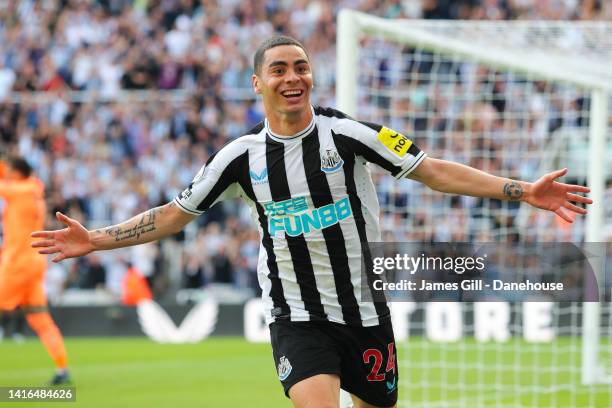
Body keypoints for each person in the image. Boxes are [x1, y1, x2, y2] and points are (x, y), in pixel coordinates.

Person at [31, 36, 592, 408]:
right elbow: (175, 214)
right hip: (297, 315)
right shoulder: (238, 157)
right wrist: (98, 239)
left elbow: (433, 171)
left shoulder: (350, 135)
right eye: (278, 69)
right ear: (258, 83)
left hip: (366, 312)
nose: (292, 76)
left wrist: (521, 190)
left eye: (301, 67)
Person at [0, 157, 70, 385]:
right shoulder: (33, 188)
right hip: (34, 263)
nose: (7, 173)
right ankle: (62, 370)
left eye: (10, 170)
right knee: (41, 320)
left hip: (17, 263)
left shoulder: (19, 190)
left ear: (18, 172)